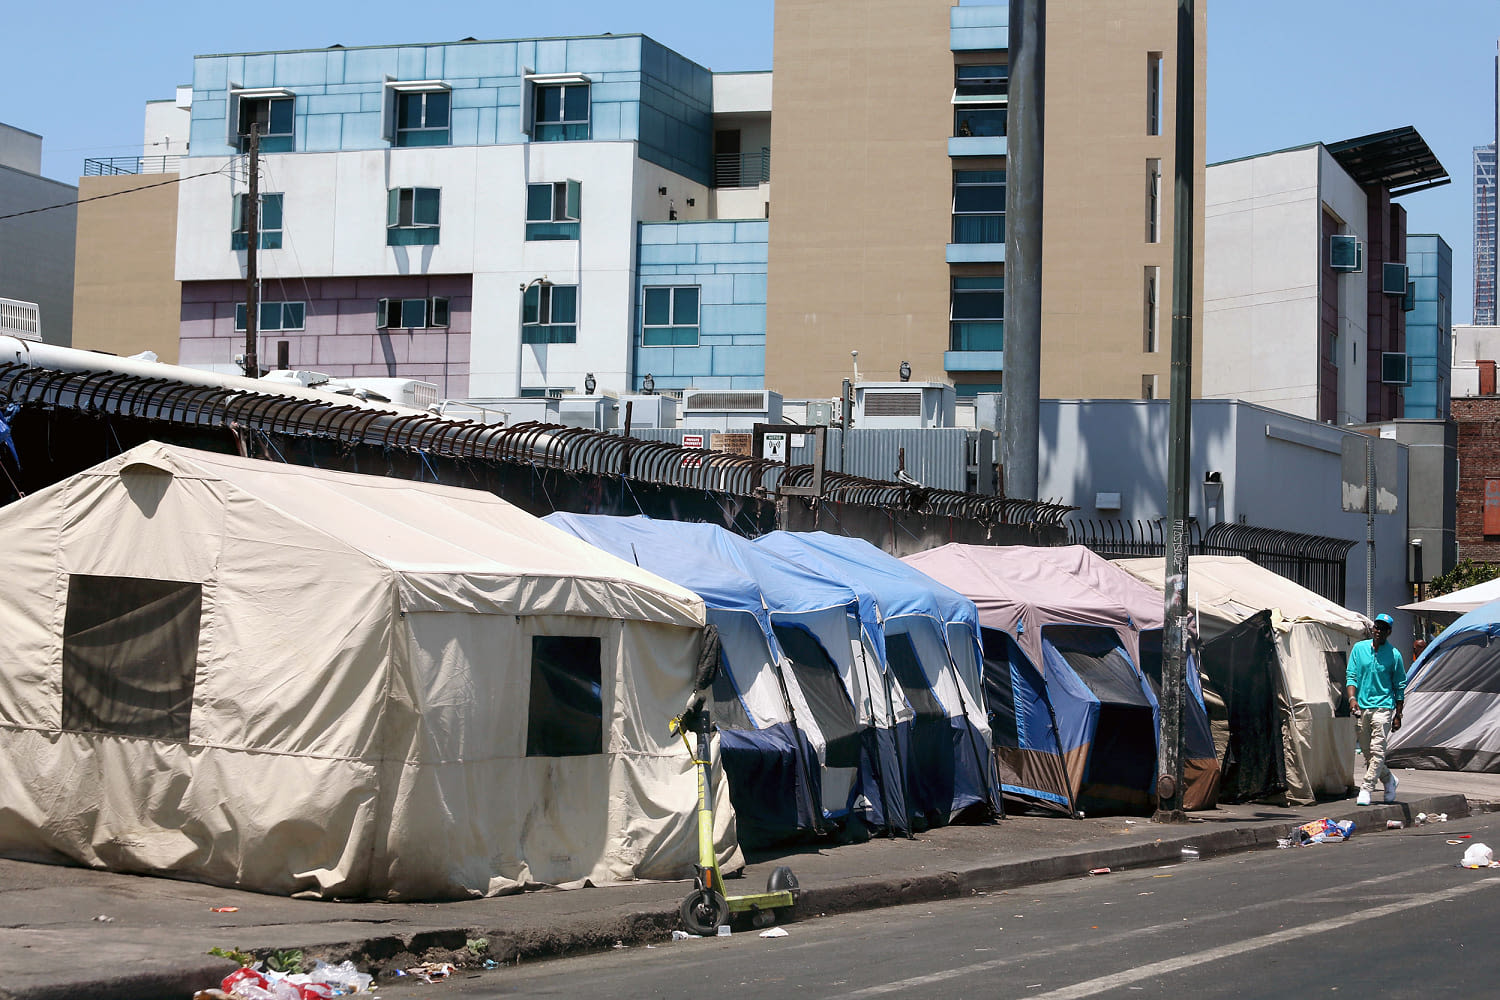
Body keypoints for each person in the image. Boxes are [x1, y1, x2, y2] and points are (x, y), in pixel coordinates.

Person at [1346, 613, 1407, 805]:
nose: (1378, 631)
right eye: (1376, 627)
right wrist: (1352, 698)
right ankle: (1389, 779)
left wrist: (1398, 714)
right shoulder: (1359, 649)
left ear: (1389, 632)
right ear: (1372, 629)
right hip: (1362, 707)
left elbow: (1399, 686)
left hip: (1384, 707)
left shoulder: (1394, 655)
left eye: (1383, 628)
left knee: (1378, 750)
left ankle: (1367, 787)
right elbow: (1351, 676)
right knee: (1367, 752)